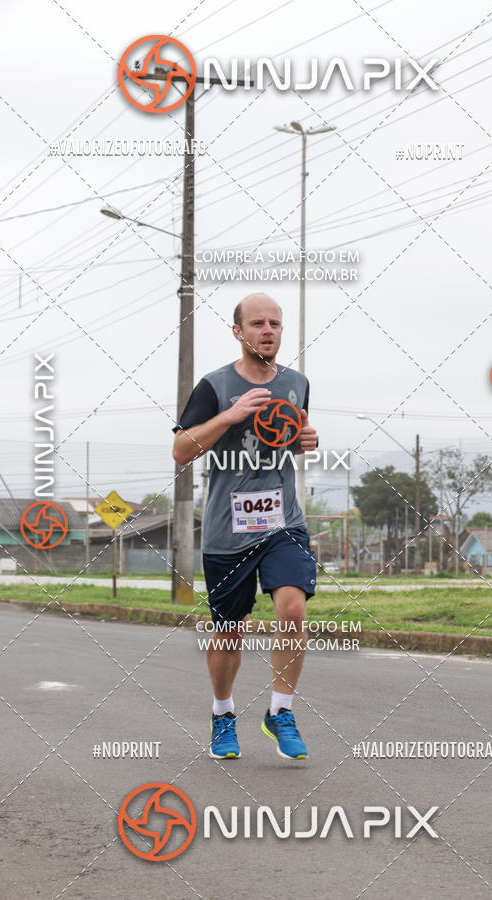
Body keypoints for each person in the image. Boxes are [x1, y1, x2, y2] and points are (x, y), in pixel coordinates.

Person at [172, 292, 318, 760]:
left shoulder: (298, 383)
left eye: (275, 323)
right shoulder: (214, 386)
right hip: (227, 530)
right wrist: (232, 415)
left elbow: (285, 436)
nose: (268, 330)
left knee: (293, 611)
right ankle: (222, 715)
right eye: (257, 323)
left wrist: (305, 439)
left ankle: (280, 711)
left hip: (283, 523)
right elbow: (182, 450)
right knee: (228, 629)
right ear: (238, 332)